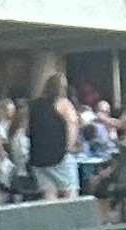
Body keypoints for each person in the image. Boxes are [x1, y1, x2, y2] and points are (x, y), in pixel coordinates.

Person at [29, 69, 78, 197]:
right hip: (59, 156)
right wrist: (70, 147)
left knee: (49, 195)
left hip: (38, 158)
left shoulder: (35, 105)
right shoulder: (63, 103)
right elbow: (72, 125)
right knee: (70, 194)